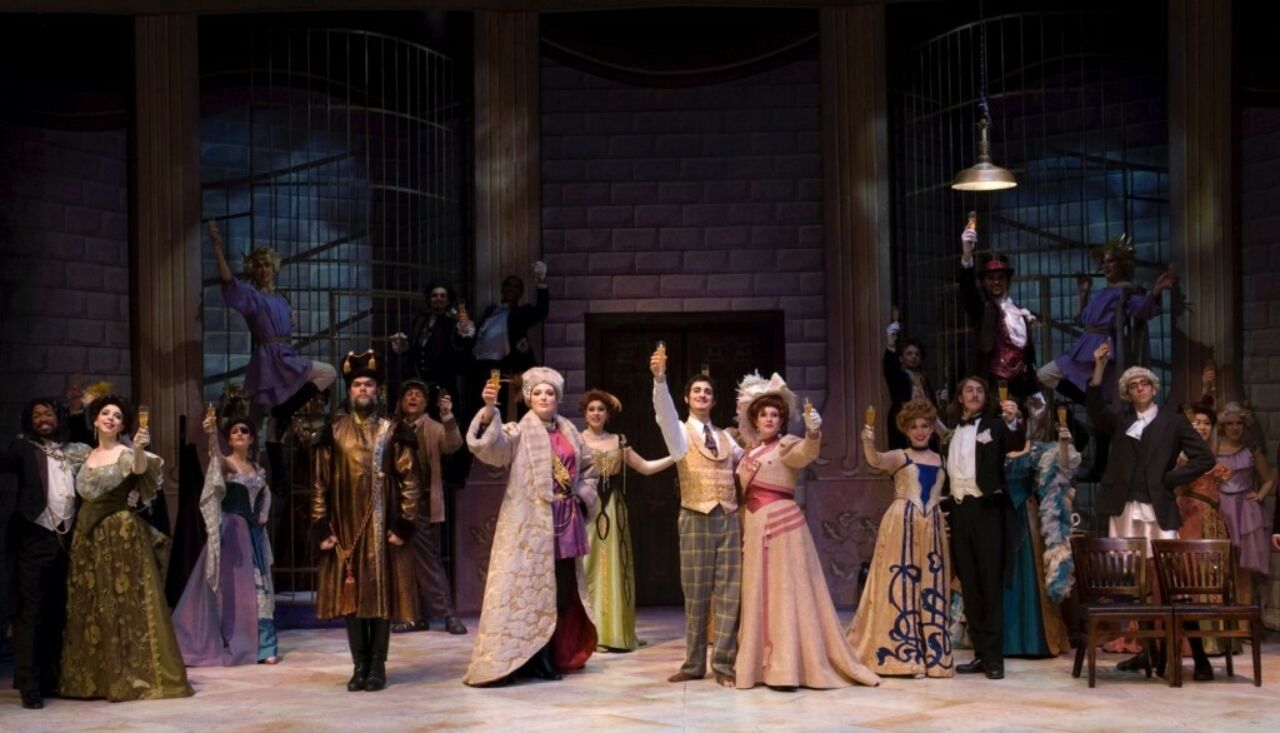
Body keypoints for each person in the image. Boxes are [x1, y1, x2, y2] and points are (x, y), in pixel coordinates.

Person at [730, 373, 880, 691]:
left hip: (783, 528)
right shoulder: (748, 453)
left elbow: (806, 454)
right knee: (758, 593)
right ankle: (757, 666)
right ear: (755, 420)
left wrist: (813, 432)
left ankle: (787, 668)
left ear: (781, 420)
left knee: (786, 593)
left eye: (775, 415)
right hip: (755, 529)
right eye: (764, 415)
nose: (769, 419)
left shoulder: (787, 444)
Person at [464, 367, 599, 686]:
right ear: (528, 398)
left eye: (549, 393)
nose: (544, 397)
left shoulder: (570, 432)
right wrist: (488, 411)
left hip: (567, 522)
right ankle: (534, 658)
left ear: (558, 398)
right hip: (530, 526)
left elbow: (588, 470)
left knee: (563, 592)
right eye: (537, 393)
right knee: (533, 592)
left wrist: (582, 497)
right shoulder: (517, 431)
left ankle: (554, 652)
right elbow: (490, 450)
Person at [1085, 340, 1214, 673]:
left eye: (1144, 383)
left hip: (1157, 509)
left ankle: (1197, 656)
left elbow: (1205, 457)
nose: (1139, 388)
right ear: (1127, 392)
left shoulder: (1173, 421)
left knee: (1170, 582)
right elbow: (1096, 410)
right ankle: (1148, 650)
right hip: (1126, 508)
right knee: (1136, 583)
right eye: (1132, 385)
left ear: (1153, 388)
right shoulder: (1122, 420)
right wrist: (1099, 368)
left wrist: (1172, 478)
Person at [59, 395, 193, 702]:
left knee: (125, 604)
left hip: (120, 534)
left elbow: (139, 470)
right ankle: (95, 680)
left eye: (117, 416)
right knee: (90, 604)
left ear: (122, 425)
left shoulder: (126, 453)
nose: (110, 418)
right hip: (86, 537)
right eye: (104, 414)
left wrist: (139, 448)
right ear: (94, 421)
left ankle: (133, 677)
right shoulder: (82, 455)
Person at [310, 350, 420, 692]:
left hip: (381, 526)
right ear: (349, 390)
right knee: (351, 598)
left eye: (368, 385)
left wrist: (404, 523)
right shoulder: (333, 432)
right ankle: (358, 665)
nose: (362, 389)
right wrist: (320, 525)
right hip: (344, 529)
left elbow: (411, 480)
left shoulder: (394, 430)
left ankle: (377, 667)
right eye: (357, 384)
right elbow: (320, 483)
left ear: (378, 391)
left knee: (380, 596)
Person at [651, 349, 743, 687]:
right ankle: (693, 664)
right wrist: (660, 380)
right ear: (688, 398)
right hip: (695, 515)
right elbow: (663, 411)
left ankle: (724, 665)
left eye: (708, 392)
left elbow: (750, 463)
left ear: (714, 400)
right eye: (697, 391)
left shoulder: (727, 438)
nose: (702, 395)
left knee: (730, 592)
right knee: (696, 592)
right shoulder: (678, 431)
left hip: (729, 517)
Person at [848, 398, 952, 678]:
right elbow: (875, 460)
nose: (920, 431)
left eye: (925, 426)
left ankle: (935, 657)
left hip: (932, 525)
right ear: (906, 430)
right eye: (915, 427)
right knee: (900, 583)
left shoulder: (941, 459)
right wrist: (867, 441)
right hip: (902, 523)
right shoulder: (900, 455)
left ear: (932, 429)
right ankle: (902, 657)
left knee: (931, 585)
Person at [208, 220, 336, 438]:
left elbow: (284, 321)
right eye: (258, 266)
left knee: (328, 372)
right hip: (268, 360)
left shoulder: (281, 299)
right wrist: (217, 246)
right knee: (258, 424)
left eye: (267, 265)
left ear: (274, 268)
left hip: (286, 356)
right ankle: (249, 464)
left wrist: (290, 318)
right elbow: (229, 281)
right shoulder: (252, 296)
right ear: (253, 270)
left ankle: (284, 411)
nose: (263, 270)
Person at [0, 399, 90, 709]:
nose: (42, 418)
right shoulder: (24, 447)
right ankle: (29, 684)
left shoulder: (71, 451)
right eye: (36, 414)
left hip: (64, 540)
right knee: (30, 614)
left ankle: (50, 679)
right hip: (34, 537)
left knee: (56, 612)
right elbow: (5, 461)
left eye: (47, 413)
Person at [171, 410, 279, 666]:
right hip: (233, 533)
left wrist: (263, 514)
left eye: (244, 431)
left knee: (259, 589)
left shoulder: (257, 468)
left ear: (252, 438)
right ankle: (244, 644)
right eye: (234, 431)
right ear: (229, 439)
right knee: (237, 591)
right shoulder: (227, 464)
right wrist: (211, 435)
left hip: (253, 533)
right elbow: (215, 459)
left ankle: (265, 646)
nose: (239, 434)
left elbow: (265, 494)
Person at [579, 389, 674, 652]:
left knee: (613, 566)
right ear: (585, 414)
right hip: (586, 507)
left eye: (601, 409)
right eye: (591, 409)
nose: (596, 413)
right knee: (586, 566)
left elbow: (644, 467)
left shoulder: (619, 441)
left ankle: (613, 633)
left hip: (612, 510)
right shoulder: (575, 440)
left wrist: (675, 457)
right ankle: (587, 633)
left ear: (608, 415)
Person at [946, 375, 1025, 680]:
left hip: (988, 511)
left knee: (990, 586)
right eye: (969, 390)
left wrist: (1013, 418)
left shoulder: (995, 426)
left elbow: (1015, 442)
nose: (975, 394)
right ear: (960, 397)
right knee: (970, 585)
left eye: (980, 390)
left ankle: (994, 659)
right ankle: (980, 654)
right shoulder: (951, 432)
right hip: (960, 511)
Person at [1037, 236, 1176, 404]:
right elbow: (1082, 320)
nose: (1105, 266)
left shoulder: (1127, 291)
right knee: (1045, 374)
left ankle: (1092, 404)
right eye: (1103, 262)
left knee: (1105, 396)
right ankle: (1089, 402)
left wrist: (1156, 291)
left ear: (1122, 264)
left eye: (1110, 261)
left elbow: (1142, 309)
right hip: (1085, 346)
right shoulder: (1103, 292)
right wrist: (1083, 293)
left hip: (1103, 349)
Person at [1000, 394, 1073, 658]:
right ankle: (1004, 640)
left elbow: (1062, 468)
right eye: (1011, 418)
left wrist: (1064, 443)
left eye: (1019, 417)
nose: (1016, 422)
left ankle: (1033, 640)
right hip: (1000, 516)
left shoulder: (1038, 449)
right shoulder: (997, 446)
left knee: (1029, 576)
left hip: (1026, 517)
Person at [393, 379, 467, 636]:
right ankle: (412, 616)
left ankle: (448, 615)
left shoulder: (434, 428)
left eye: (418, 395)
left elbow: (453, 445)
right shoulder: (392, 428)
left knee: (430, 562)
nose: (413, 398)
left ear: (426, 403)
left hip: (423, 504)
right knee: (402, 562)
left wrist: (447, 417)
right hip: (398, 505)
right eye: (408, 395)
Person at [1173, 402, 1232, 680]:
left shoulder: (1211, 451)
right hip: (1190, 519)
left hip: (1211, 520)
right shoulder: (1184, 453)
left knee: (1211, 579)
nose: (1202, 427)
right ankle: (1195, 650)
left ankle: (1213, 642)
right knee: (1190, 580)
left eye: (1206, 423)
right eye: (1197, 422)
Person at [958, 220, 1038, 400]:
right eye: (991, 278)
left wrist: (1035, 389)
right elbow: (968, 290)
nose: (996, 282)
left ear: (1007, 281)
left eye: (1000, 278)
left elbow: (1024, 354)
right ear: (984, 282)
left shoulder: (1018, 312)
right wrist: (967, 254)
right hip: (993, 382)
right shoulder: (983, 308)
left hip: (1021, 384)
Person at [1214, 402, 1274, 604]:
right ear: (1223, 426)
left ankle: (1246, 621)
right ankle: (1223, 620)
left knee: (1244, 567)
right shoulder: (1214, 448)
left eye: (1239, 423)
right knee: (1222, 563)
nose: (1235, 427)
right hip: (1221, 507)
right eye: (1230, 423)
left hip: (1245, 512)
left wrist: (1259, 495)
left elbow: (1269, 479)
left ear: (1245, 425)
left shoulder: (1251, 450)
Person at [472, 262, 550, 407]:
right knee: (478, 407)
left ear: (521, 293)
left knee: (499, 405)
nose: (511, 289)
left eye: (516, 287)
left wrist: (541, 282)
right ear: (502, 289)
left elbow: (542, 311)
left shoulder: (521, 313)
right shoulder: (490, 311)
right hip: (480, 365)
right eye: (508, 285)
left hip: (502, 366)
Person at [390, 282, 475, 402]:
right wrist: (402, 344)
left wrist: (464, 329)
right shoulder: (420, 319)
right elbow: (411, 345)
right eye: (434, 295)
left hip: (443, 386)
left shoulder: (453, 323)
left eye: (442, 296)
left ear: (448, 300)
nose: (438, 298)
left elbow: (462, 347)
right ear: (429, 299)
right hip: (418, 383)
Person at [883, 322, 936, 450]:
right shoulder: (898, 376)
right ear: (901, 358)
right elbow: (889, 368)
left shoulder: (924, 379)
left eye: (917, 354)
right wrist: (890, 344)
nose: (913, 357)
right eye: (909, 353)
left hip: (924, 425)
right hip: (903, 425)